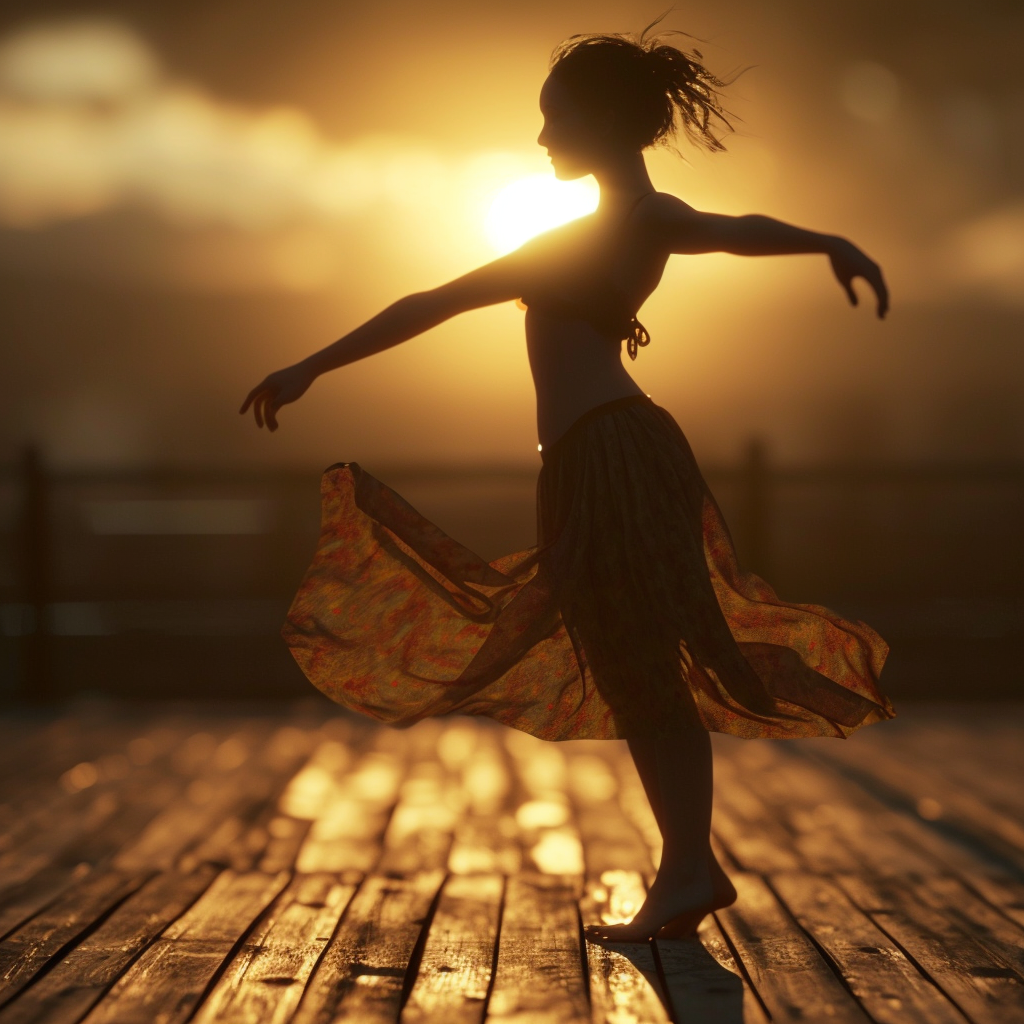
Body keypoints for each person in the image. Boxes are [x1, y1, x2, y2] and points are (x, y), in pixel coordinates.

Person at [241, 18, 893, 941]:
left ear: (605, 125)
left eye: (555, 120)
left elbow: (730, 227)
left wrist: (827, 242)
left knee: (642, 660)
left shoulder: (639, 217)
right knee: (634, 664)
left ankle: (690, 868)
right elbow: (433, 301)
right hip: (593, 459)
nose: (543, 139)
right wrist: (311, 365)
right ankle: (691, 867)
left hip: (617, 454)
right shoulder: (567, 239)